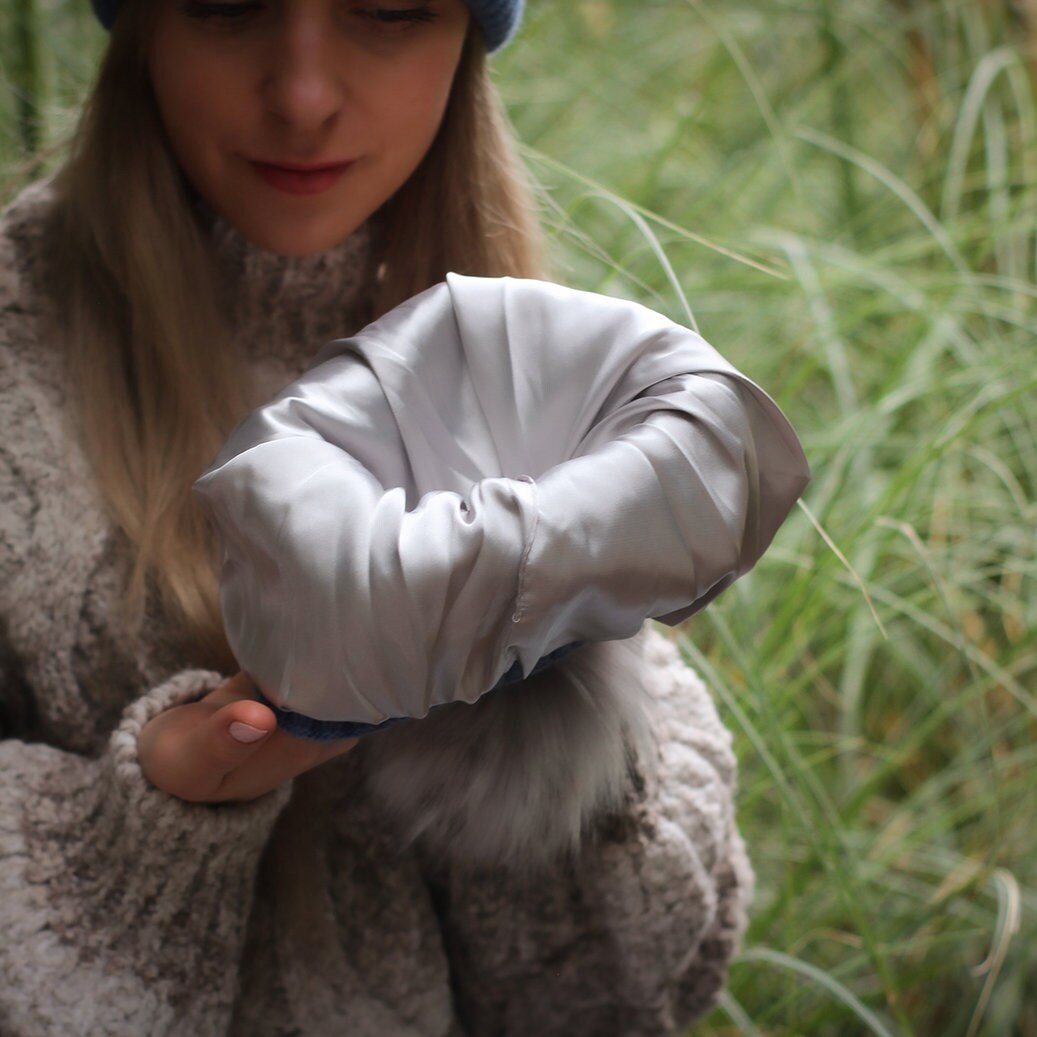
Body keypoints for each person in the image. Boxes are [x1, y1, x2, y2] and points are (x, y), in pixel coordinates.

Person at [0, 1, 805, 1033]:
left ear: (465, 38)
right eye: (226, 4)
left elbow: (632, 981)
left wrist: (557, 709)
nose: (301, 96)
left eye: (387, 10)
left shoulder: (552, 377)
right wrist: (143, 836)